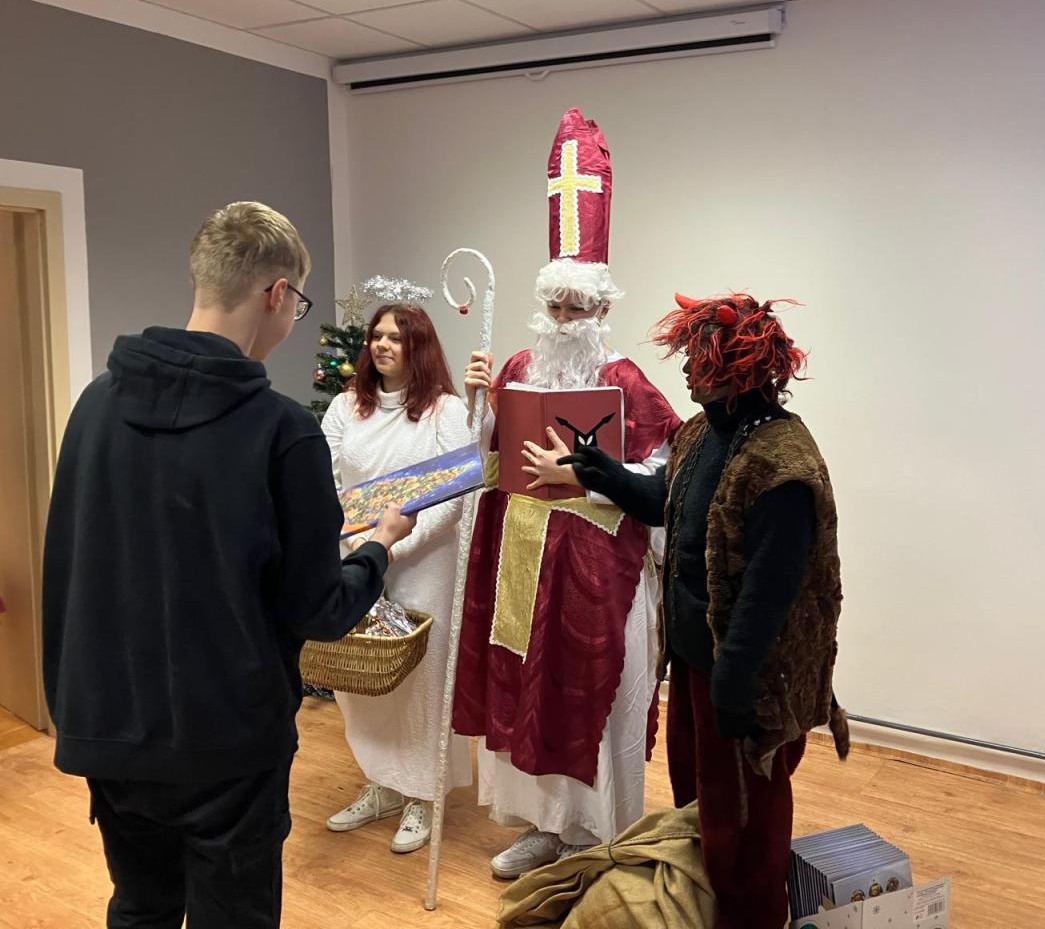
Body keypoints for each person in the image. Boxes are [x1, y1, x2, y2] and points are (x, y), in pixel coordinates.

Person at [41, 201, 415, 929]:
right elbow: (316, 610)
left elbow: (73, 563)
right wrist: (378, 548)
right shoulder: (282, 430)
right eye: (298, 305)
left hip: (108, 726)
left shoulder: (94, 405)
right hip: (229, 743)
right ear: (276, 293)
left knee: (141, 908)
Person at [560, 292, 848, 929]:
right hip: (697, 659)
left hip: (744, 676)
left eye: (698, 357)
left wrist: (736, 680)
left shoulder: (783, 461)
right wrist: (602, 472)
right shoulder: (702, 432)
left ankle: (752, 919)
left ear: (736, 368)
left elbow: (772, 590)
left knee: (747, 822)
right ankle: (709, 907)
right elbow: (667, 502)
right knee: (703, 806)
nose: (687, 368)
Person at [450, 108, 683, 878]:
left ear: (602, 310)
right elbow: (484, 462)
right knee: (529, 690)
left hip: (597, 568)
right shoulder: (519, 366)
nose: (562, 319)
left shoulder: (626, 380)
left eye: (577, 308)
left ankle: (596, 838)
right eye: (554, 306)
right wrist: (480, 403)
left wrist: (583, 477)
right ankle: (542, 827)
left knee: (591, 697)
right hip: (525, 556)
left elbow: (667, 480)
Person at [320, 303, 472, 853]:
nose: (382, 345)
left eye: (396, 338)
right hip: (358, 556)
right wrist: (356, 546)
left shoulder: (446, 411)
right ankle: (382, 782)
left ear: (418, 346)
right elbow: (325, 478)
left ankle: (423, 795)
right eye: (376, 336)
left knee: (420, 679)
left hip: (423, 560)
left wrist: (394, 544)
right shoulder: (345, 407)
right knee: (362, 680)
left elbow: (455, 492)